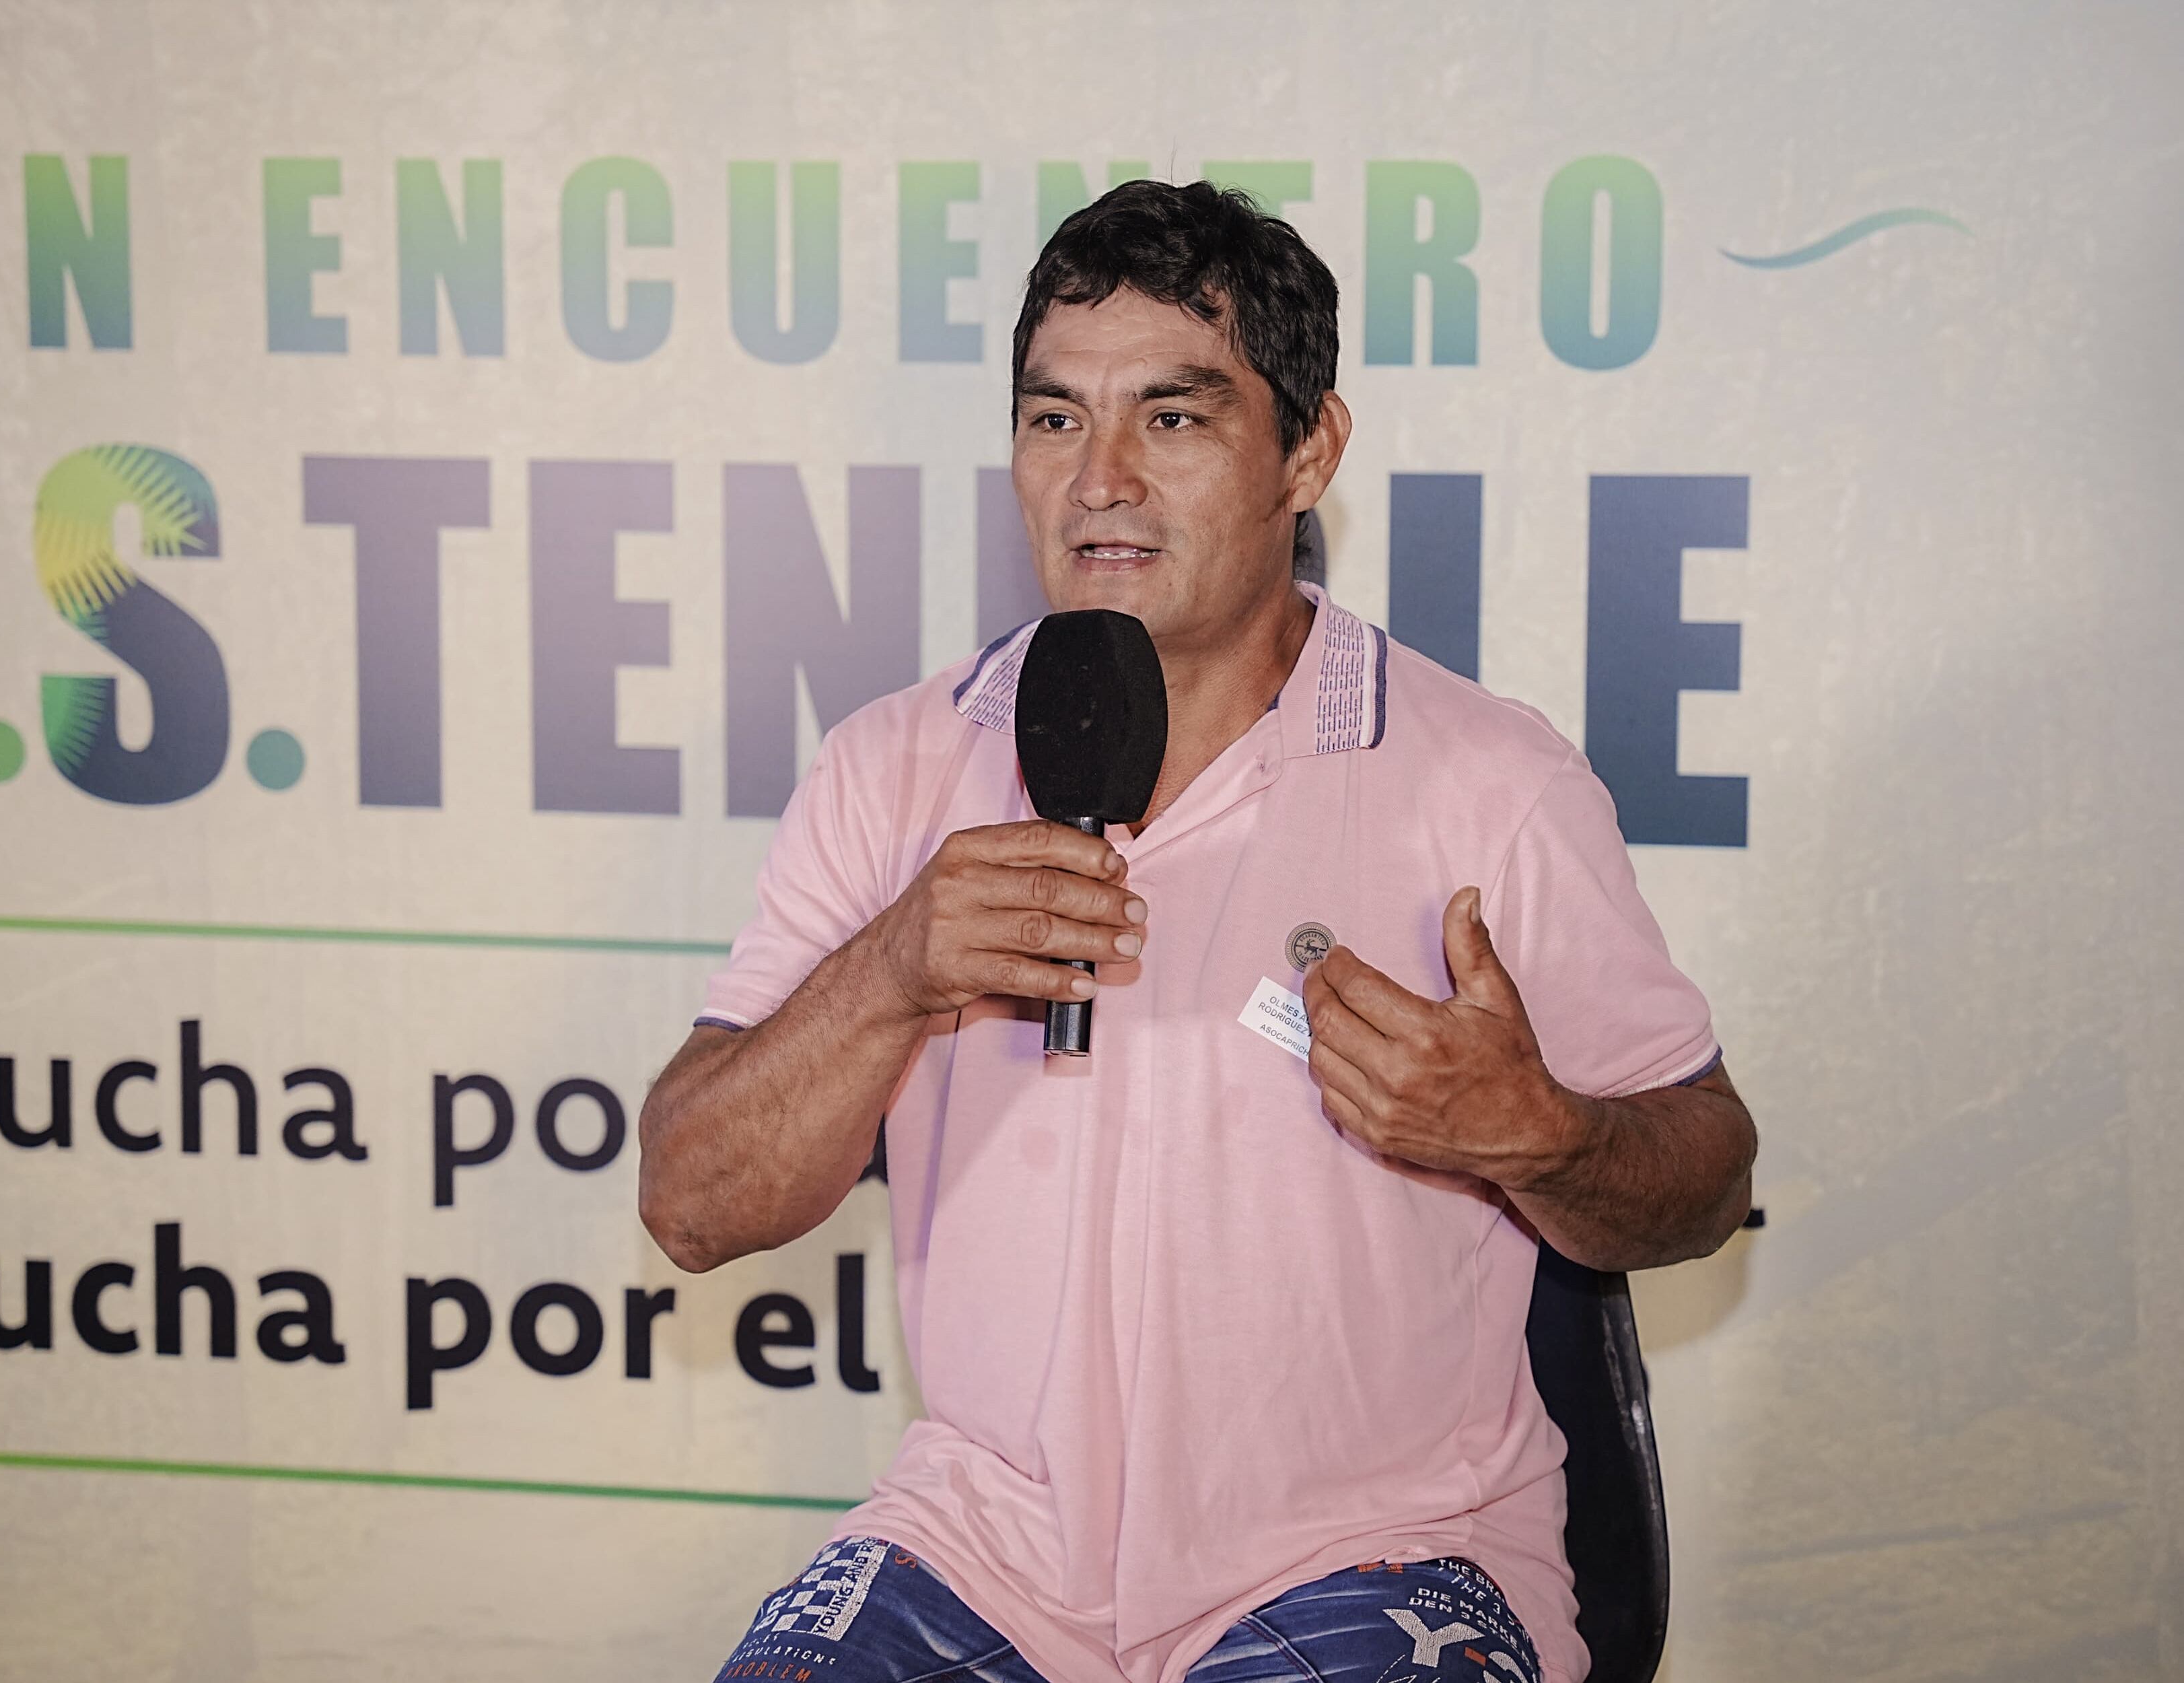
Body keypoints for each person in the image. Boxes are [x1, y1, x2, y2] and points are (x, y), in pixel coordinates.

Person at [639, 179, 1756, 1683]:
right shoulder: (894, 764)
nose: (1098, 479)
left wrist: (1538, 1133)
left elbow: (1704, 1168)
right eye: (1053, 420)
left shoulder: (1490, 780)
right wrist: (893, 971)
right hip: (983, 1544)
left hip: (1371, 1555)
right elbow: (692, 1202)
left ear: (1309, 449)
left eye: (1171, 418)